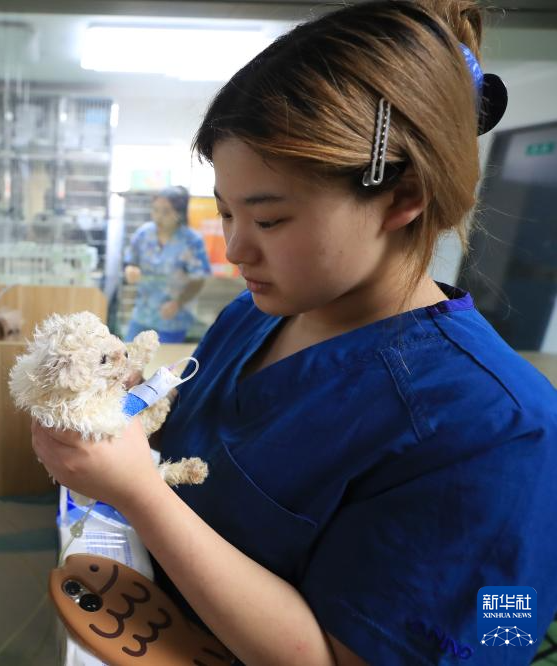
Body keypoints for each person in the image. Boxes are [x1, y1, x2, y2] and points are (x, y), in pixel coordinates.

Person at [32, 1, 557, 664]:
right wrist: (129, 421)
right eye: (226, 213)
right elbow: (206, 455)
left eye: (269, 220)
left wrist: (137, 491)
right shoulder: (253, 316)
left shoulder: (496, 433)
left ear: (401, 197)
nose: (236, 250)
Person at [122, 186, 211, 343]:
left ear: (179, 214)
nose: (158, 217)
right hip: (142, 314)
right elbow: (131, 261)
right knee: (129, 353)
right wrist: (130, 270)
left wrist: (178, 302)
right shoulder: (143, 234)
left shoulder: (191, 241)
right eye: (155, 210)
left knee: (163, 358)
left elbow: (199, 279)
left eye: (166, 212)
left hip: (173, 318)